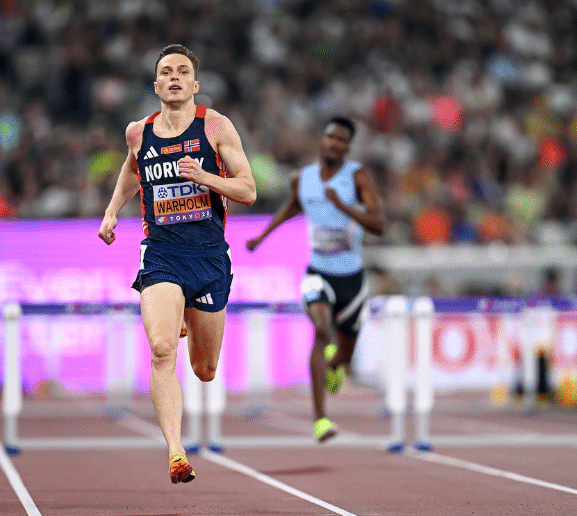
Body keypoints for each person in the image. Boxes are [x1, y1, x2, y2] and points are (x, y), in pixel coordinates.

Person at [97, 44, 255, 484]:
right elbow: (132, 170)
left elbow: (248, 190)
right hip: (161, 253)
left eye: (182, 71)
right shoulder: (137, 132)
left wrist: (204, 177)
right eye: (166, 71)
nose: (174, 78)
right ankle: (176, 452)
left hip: (207, 257)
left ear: (194, 84)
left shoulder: (215, 126)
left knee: (205, 371)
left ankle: (186, 312)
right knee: (162, 349)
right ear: (155, 84)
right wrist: (112, 211)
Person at [246, 116, 384, 442]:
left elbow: (378, 225)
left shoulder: (358, 177)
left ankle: (338, 365)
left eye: (341, 140)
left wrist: (343, 206)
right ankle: (320, 419)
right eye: (329, 137)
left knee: (343, 353)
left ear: (347, 148)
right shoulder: (304, 178)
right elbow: (291, 207)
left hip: (351, 277)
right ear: (321, 141)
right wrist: (262, 236)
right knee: (321, 329)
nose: (333, 143)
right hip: (317, 272)